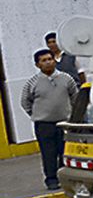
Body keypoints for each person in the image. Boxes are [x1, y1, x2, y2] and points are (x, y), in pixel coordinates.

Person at [20, 49, 79, 190]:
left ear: (54, 60)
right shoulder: (32, 83)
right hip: (44, 125)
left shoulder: (66, 78)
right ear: (37, 65)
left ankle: (65, 178)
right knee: (48, 153)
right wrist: (38, 115)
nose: (47, 62)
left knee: (65, 152)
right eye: (43, 60)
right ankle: (51, 180)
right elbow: (25, 102)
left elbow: (75, 97)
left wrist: (71, 115)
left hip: (65, 123)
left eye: (50, 59)